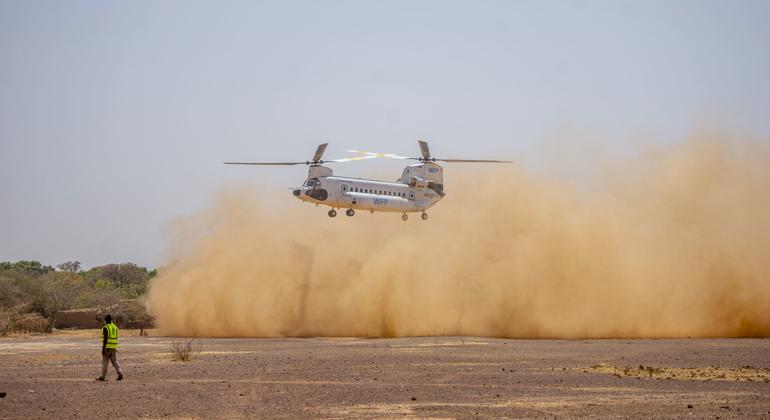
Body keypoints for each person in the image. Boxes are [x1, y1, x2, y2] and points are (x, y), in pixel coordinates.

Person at [96, 314, 123, 381]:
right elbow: (116, 338)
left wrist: (103, 349)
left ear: (105, 320)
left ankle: (103, 377)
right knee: (115, 361)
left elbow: (105, 339)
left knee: (105, 362)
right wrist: (115, 347)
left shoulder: (106, 328)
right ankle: (120, 373)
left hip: (107, 348)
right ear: (111, 320)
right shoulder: (115, 327)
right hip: (113, 347)